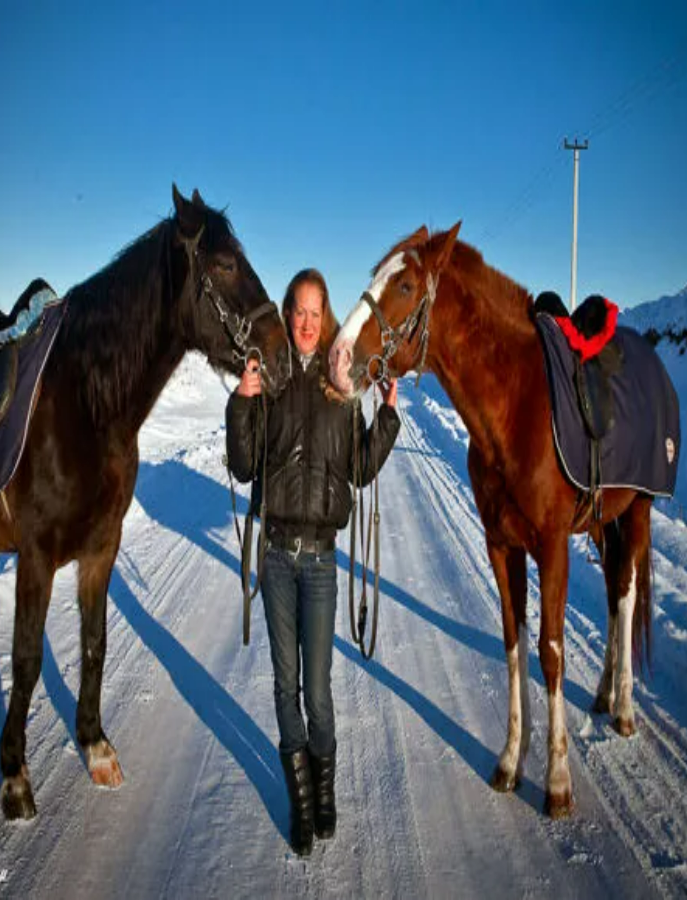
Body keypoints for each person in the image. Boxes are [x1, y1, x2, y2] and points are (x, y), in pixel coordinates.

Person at [226, 268, 400, 856]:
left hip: (321, 564)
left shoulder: (338, 381)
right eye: (297, 310)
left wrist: (387, 419)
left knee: (318, 692)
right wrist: (243, 402)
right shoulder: (272, 380)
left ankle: (325, 794)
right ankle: (302, 807)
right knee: (284, 687)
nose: (304, 322)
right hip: (275, 557)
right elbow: (245, 463)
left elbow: (357, 468)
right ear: (288, 312)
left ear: (325, 319)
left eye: (314, 312)